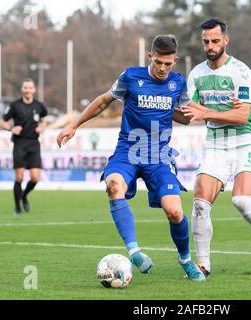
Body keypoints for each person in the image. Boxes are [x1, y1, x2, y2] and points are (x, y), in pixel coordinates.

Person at [56, 35, 205, 281]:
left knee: (175, 212)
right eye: (158, 62)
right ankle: (134, 251)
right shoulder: (131, 77)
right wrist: (73, 126)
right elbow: (104, 101)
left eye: (168, 64)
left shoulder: (178, 83)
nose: (163, 68)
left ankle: (186, 260)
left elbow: (187, 117)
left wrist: (188, 111)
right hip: (127, 151)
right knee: (113, 186)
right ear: (150, 57)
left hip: (158, 156)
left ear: (175, 61)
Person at [181, 18, 251, 277]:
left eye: (215, 41)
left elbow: (241, 117)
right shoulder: (197, 74)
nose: (210, 46)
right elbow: (191, 112)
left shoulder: (241, 72)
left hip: (246, 139)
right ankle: (203, 265)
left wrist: (207, 112)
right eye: (205, 42)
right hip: (216, 143)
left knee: (242, 201)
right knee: (199, 203)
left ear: (226, 40)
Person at [0, 79, 48, 215]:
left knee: (35, 178)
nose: (28, 89)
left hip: (34, 144)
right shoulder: (15, 105)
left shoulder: (39, 106)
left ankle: (24, 196)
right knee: (19, 177)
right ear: (22, 89)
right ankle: (17, 208)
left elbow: (44, 120)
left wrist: (42, 127)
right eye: (25, 87)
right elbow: (2, 121)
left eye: (30, 87)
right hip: (19, 143)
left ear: (34, 89)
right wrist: (11, 128)